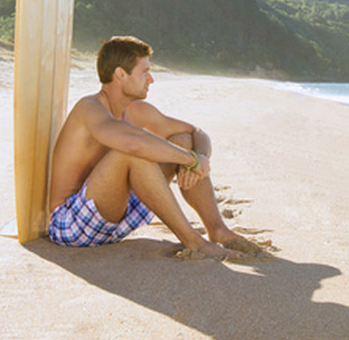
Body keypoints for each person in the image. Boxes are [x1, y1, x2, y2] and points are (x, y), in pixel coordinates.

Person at [48, 35, 257, 259]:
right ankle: (193, 241)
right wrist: (190, 160)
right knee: (131, 153)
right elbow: (133, 143)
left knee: (182, 141)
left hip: (118, 218)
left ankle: (217, 229)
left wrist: (199, 158)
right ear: (120, 74)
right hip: (72, 225)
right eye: (144, 72)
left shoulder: (137, 110)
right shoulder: (89, 109)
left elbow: (196, 132)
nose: (151, 80)